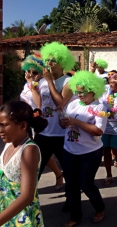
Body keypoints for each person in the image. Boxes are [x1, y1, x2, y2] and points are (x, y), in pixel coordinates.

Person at [59, 71, 107, 227]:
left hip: (90, 153)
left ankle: (99, 208)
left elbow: (99, 131)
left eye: (83, 92)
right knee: (71, 185)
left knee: (86, 184)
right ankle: (75, 216)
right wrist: (64, 123)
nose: (79, 95)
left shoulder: (100, 107)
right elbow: (64, 122)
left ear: (92, 90)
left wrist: (76, 122)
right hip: (69, 150)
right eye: (77, 91)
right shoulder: (72, 103)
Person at [20, 54, 64, 191]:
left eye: (35, 72)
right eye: (28, 72)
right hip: (40, 130)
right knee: (36, 167)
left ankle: (70, 197)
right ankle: (29, 198)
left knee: (67, 167)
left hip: (58, 131)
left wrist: (33, 85)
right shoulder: (28, 86)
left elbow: (39, 104)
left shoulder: (45, 84)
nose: (31, 75)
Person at [0, 101, 48, 226]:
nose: (0, 130)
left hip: (21, 218)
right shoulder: (9, 143)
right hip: (5, 212)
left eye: (4, 125)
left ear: (23, 126)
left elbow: (27, 196)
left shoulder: (29, 150)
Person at [35, 41, 75, 180]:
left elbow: (61, 103)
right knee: (35, 172)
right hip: (43, 133)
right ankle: (30, 201)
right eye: (47, 60)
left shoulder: (68, 82)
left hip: (61, 134)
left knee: (70, 174)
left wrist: (50, 81)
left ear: (63, 62)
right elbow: (41, 105)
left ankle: (71, 201)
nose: (49, 63)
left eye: (53, 60)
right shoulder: (42, 82)